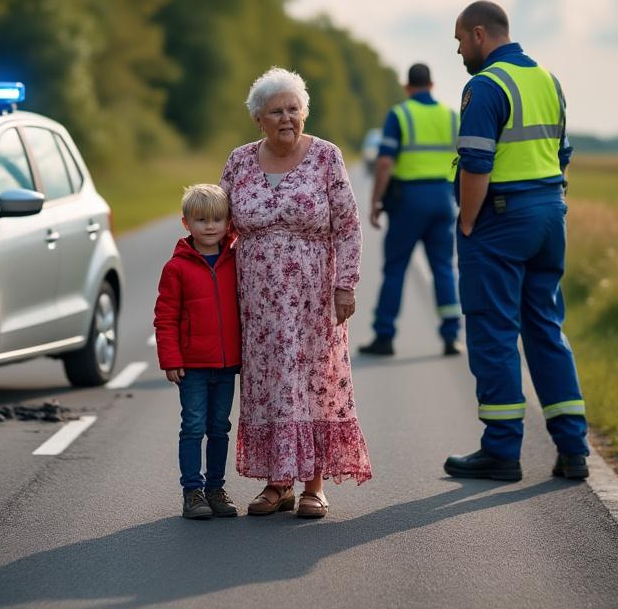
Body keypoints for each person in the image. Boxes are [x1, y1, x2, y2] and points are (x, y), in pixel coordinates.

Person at [442, 0, 590, 483]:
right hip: (550, 213)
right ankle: (573, 449)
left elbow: (477, 165)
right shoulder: (548, 79)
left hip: (501, 221)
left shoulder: (484, 85)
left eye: (461, 40)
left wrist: (467, 222)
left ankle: (502, 450)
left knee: (494, 331)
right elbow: (562, 152)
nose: (460, 50)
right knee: (546, 327)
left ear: (480, 34)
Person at [220, 66, 372, 519]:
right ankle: (277, 483)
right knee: (268, 385)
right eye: (276, 111)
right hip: (258, 301)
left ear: (304, 113)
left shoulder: (326, 156)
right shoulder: (240, 161)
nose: (286, 117)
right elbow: (219, 222)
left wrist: (345, 286)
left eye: (294, 109)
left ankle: (315, 485)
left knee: (313, 384)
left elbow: (347, 226)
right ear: (258, 120)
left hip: (313, 296)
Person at [359, 62, 463, 358]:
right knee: (444, 268)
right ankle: (451, 335)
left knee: (395, 269)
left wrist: (376, 201)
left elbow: (384, 162)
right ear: (432, 85)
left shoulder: (400, 114)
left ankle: (385, 335)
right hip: (444, 199)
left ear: (408, 87)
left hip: (408, 202)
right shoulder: (451, 117)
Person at [154, 184, 243, 520]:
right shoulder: (176, 269)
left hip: (226, 365)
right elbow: (165, 317)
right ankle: (192, 491)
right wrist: (171, 359)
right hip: (191, 366)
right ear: (185, 223)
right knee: (193, 426)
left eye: (218, 219)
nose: (210, 226)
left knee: (219, 426)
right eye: (201, 219)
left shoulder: (236, 262)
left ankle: (215, 488)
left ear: (228, 222)